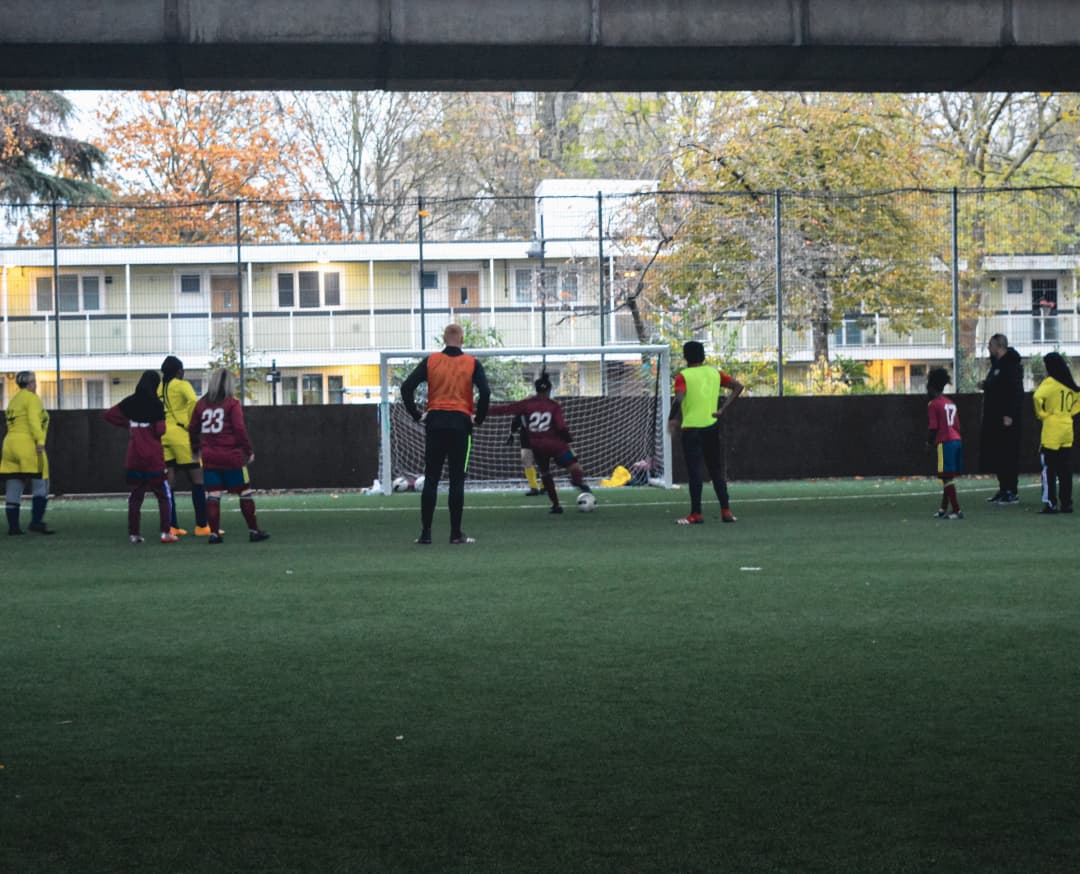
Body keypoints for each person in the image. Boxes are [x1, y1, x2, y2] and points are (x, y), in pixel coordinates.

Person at [400, 323, 491, 544]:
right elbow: (485, 392)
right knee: (456, 480)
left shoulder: (431, 361)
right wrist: (478, 419)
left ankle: (426, 533)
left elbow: (406, 387)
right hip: (461, 425)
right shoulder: (471, 363)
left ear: (443, 339)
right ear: (462, 340)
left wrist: (416, 414)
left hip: (435, 424)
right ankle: (455, 533)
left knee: (431, 478)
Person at [489, 372, 591, 514]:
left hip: (537, 446)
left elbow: (506, 409)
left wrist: (482, 412)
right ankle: (577, 481)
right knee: (574, 466)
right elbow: (561, 427)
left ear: (536, 389)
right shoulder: (553, 406)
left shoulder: (527, 403)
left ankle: (556, 505)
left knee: (545, 473)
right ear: (549, 390)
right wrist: (568, 441)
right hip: (555, 445)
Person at [188, 368, 270, 544]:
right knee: (245, 493)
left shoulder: (201, 404)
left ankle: (214, 534)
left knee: (213, 495)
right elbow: (239, 429)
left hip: (210, 457)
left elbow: (193, 428)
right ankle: (254, 531)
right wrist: (248, 451)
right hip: (232, 457)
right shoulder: (232, 404)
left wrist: (196, 449)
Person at [667, 341, 744, 525]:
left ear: (685, 357)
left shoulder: (683, 376)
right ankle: (726, 511)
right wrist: (722, 410)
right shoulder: (714, 373)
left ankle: (696, 514)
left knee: (695, 472)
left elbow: (679, 398)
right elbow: (738, 386)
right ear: (703, 356)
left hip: (691, 428)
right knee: (716, 470)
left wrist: (672, 418)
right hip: (711, 426)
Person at [104, 370, 177, 544]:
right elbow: (161, 431)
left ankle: (134, 534)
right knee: (163, 496)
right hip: (154, 459)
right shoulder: (156, 405)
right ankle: (165, 533)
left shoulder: (130, 402)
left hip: (134, 458)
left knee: (136, 497)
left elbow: (109, 415)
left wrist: (128, 423)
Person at [159, 355, 210, 536]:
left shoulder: (159, 387)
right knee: (198, 479)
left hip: (162, 436)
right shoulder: (182, 385)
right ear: (179, 371)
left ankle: (172, 526)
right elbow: (193, 402)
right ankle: (202, 526)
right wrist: (190, 423)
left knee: (169, 482)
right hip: (181, 436)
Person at [1, 371, 54, 534]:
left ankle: (14, 527)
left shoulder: (14, 400)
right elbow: (33, 420)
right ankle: (36, 523)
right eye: (34, 382)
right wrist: (40, 441)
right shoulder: (32, 398)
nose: (36, 384)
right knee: (42, 482)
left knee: (14, 484)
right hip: (27, 444)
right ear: (31, 383)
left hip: (9, 444)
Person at [1032, 352, 1080, 514]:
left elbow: (1037, 397)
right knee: (1065, 469)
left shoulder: (1050, 382)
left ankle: (1050, 503)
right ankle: (1067, 503)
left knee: (1049, 469)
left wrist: (1042, 414)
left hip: (1052, 429)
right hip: (1067, 428)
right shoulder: (1069, 383)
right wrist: (1070, 412)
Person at [979, 334, 1024, 504]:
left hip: (1006, 418)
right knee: (997, 453)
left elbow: (1014, 392)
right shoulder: (996, 366)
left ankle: (1011, 490)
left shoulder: (1011, 365)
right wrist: (986, 385)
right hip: (994, 417)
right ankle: (1003, 488)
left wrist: (1010, 414)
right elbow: (998, 386)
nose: (988, 348)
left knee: (1008, 454)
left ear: (999, 346)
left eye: (990, 345)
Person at [927, 367, 964, 520]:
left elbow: (933, 427)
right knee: (947, 476)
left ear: (931, 386)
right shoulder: (950, 403)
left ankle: (957, 510)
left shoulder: (933, 404)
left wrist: (929, 443)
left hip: (945, 442)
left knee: (946, 477)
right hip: (956, 440)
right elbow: (957, 425)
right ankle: (943, 508)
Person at [508, 413, 544, 496]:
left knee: (543, 462)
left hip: (542, 437)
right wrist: (511, 433)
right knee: (526, 461)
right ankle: (534, 487)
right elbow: (515, 422)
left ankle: (544, 486)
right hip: (526, 438)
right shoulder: (523, 408)